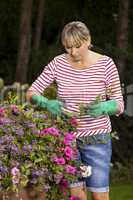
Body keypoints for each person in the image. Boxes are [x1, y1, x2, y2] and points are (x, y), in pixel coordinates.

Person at [26, 21, 124, 200]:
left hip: (97, 139)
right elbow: (31, 92)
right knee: (76, 195)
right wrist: (46, 102)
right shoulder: (58, 63)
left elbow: (119, 103)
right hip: (67, 139)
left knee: (99, 195)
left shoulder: (105, 65)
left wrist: (104, 107)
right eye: (68, 47)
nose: (73, 52)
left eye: (77, 46)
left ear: (88, 41)